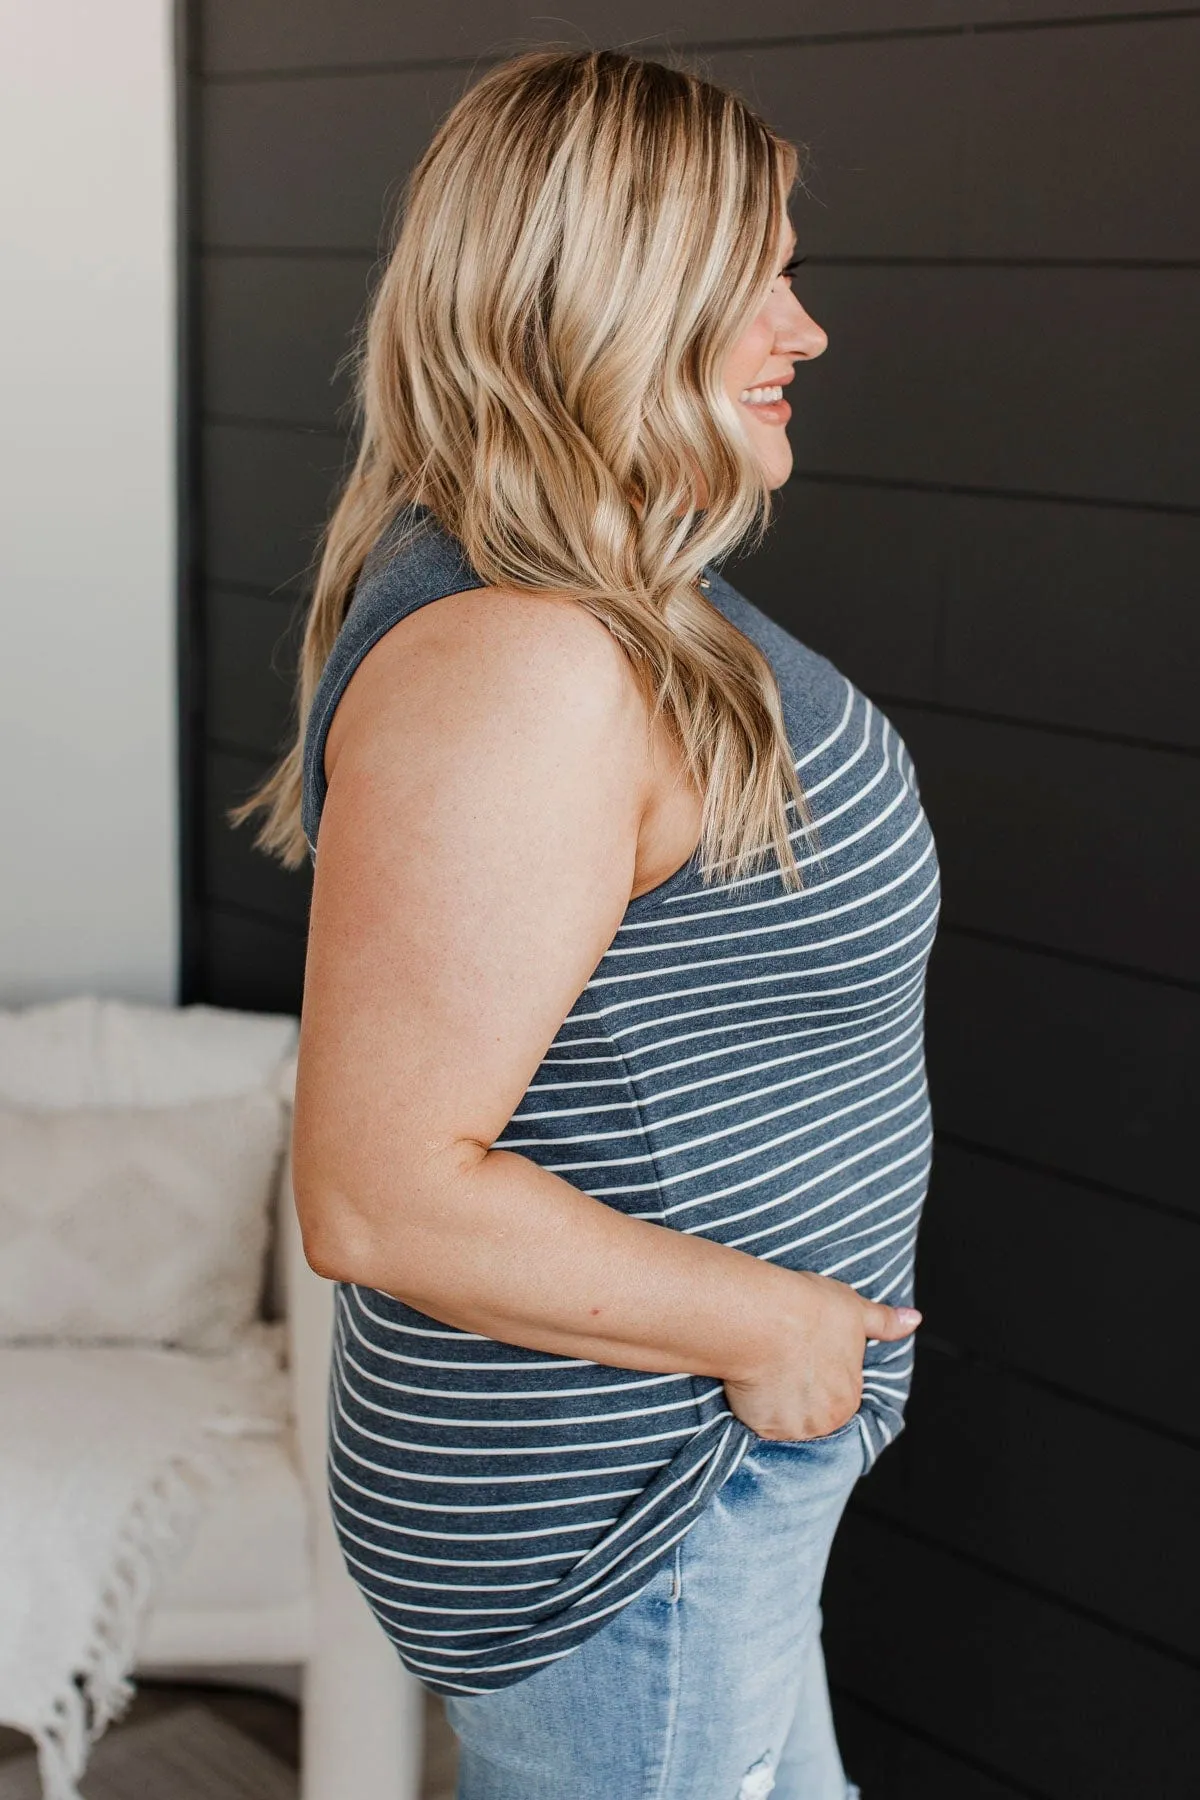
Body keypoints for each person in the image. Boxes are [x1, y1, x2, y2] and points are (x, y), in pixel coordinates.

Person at [234, 46, 940, 1800]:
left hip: (697, 1465)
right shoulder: (527, 661)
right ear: (612, 294)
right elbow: (378, 1192)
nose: (806, 326)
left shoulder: (586, 602)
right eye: (757, 273)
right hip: (641, 1498)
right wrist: (771, 1333)